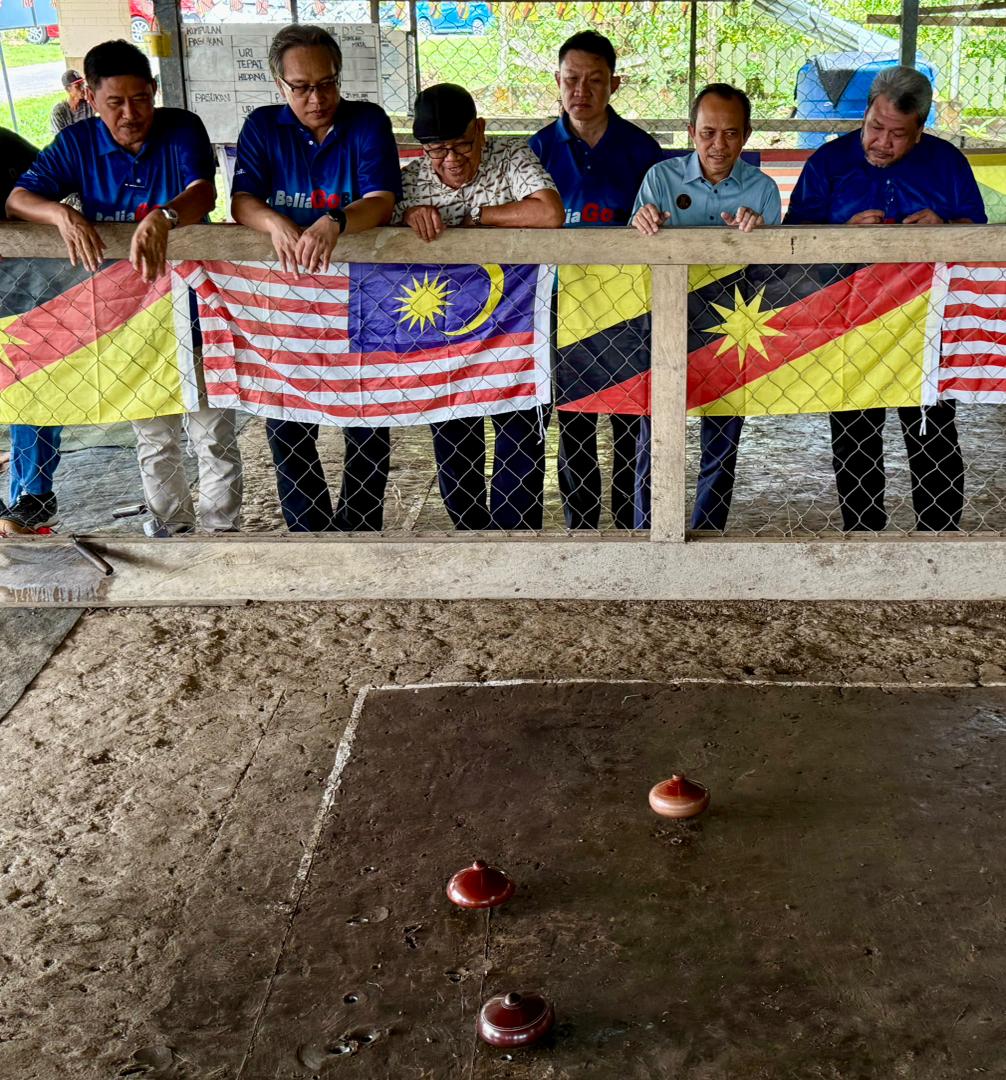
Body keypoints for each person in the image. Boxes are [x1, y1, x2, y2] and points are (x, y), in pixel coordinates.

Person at [7, 38, 242, 537]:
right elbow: (19, 198)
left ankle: (222, 533)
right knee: (154, 436)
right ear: (89, 97)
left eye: (140, 99)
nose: (130, 114)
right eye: (115, 102)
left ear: (154, 90)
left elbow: (203, 191)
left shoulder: (181, 127)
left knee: (213, 432)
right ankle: (171, 531)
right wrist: (60, 214)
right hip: (129, 315)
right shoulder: (78, 142)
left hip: (195, 304)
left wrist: (165, 215)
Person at [786, 65, 986, 532]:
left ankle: (938, 537)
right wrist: (841, 235)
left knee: (933, 434)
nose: (882, 142)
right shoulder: (828, 163)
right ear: (866, 113)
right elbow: (792, 239)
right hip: (850, 321)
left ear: (920, 128)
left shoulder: (947, 163)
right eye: (875, 127)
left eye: (898, 135)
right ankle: (862, 535)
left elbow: (977, 234)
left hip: (926, 325)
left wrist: (945, 229)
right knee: (854, 435)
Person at [230, 23, 401, 532]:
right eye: (301, 87)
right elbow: (241, 200)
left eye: (327, 83)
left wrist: (336, 221)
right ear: (279, 85)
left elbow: (382, 200)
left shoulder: (367, 121)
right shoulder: (263, 126)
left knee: (367, 410)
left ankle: (361, 527)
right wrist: (273, 222)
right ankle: (308, 530)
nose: (317, 98)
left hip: (364, 293)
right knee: (288, 413)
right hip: (285, 295)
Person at [395, 82, 564, 530]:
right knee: (454, 441)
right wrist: (409, 216)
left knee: (520, 440)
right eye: (437, 150)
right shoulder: (411, 181)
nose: (451, 159)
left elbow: (549, 212)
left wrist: (475, 218)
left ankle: (514, 540)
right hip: (448, 335)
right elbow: (380, 224)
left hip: (515, 330)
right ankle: (470, 537)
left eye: (462, 145)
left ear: (481, 130)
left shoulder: (510, 157)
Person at [529, 31, 663, 530]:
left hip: (626, 308)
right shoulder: (537, 149)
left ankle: (631, 527)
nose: (580, 91)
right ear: (557, 81)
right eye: (571, 80)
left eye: (594, 81)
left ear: (614, 84)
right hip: (559, 305)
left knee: (629, 421)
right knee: (575, 422)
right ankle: (581, 529)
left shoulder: (641, 150)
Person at [632, 83, 781, 530]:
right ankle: (647, 530)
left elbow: (774, 274)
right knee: (655, 432)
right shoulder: (660, 179)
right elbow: (633, 253)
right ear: (690, 132)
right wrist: (642, 222)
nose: (719, 145)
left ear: (747, 135)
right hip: (666, 321)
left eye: (731, 133)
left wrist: (761, 235)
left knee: (723, 437)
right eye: (708, 133)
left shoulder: (762, 190)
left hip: (732, 326)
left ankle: (707, 530)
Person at [51, 69, 94, 135]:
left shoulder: (89, 104)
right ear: (68, 89)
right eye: (77, 86)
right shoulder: (59, 111)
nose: (82, 88)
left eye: (82, 84)